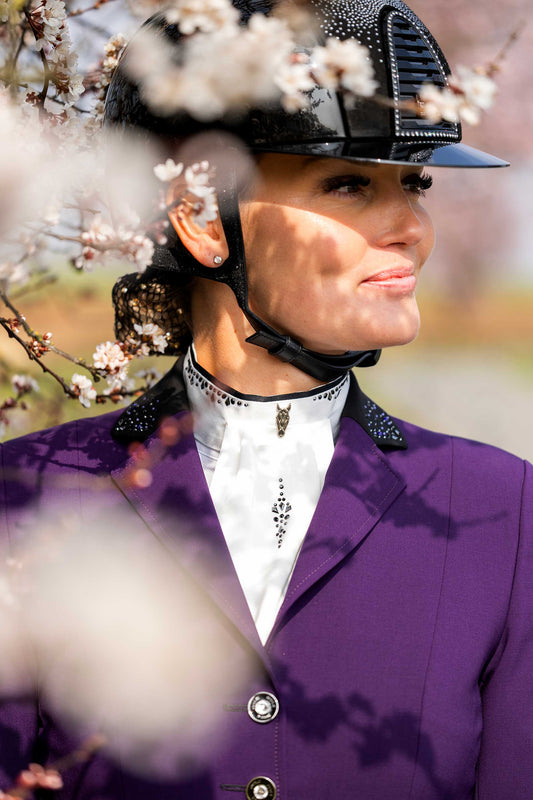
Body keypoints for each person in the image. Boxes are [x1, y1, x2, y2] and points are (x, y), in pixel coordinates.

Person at [0, 0, 531, 798]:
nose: (411, 229)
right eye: (349, 184)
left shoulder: (505, 510)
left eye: (413, 183)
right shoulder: (22, 498)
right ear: (201, 220)